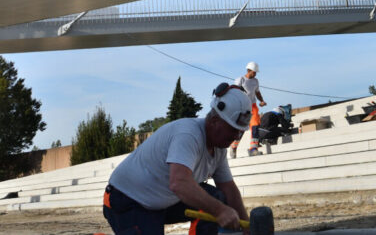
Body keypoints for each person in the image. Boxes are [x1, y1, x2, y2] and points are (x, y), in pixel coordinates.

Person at [103, 84, 252, 235]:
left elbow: (229, 189)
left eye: (240, 132)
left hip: (162, 201)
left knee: (217, 197)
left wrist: (248, 229)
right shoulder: (188, 134)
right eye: (233, 130)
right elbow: (179, 183)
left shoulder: (219, 149)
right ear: (214, 121)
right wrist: (220, 211)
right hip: (128, 200)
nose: (236, 137)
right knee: (216, 205)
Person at [230, 62, 267, 158]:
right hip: (243, 107)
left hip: (253, 106)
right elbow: (234, 93)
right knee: (241, 129)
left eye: (256, 72)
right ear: (249, 71)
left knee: (255, 126)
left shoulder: (255, 81)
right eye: (254, 72)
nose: (255, 74)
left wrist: (262, 100)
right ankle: (234, 146)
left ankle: (253, 149)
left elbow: (257, 92)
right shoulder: (240, 80)